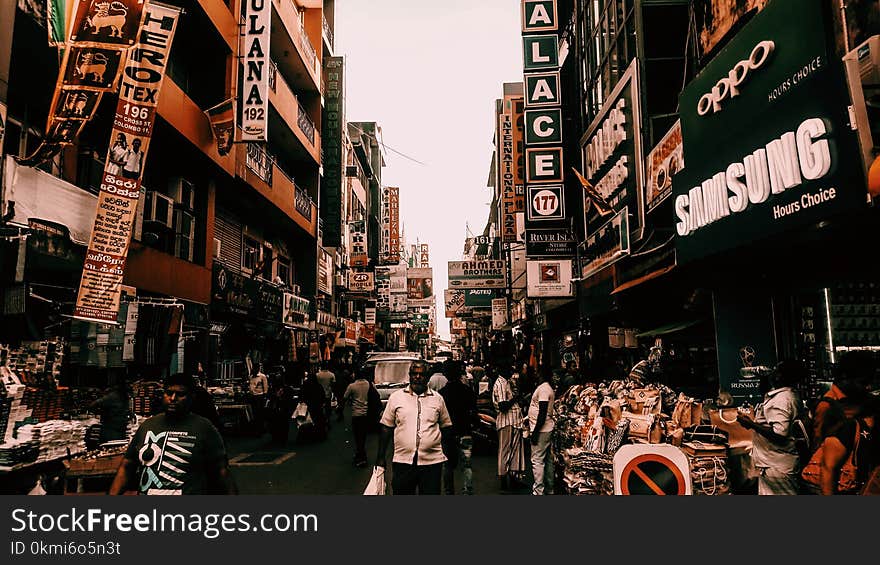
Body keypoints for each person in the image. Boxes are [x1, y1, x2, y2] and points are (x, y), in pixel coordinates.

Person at [109, 373, 237, 495]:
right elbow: (127, 466)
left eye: (180, 394)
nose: (173, 398)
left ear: (191, 397)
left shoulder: (204, 428)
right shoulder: (148, 426)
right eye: (169, 393)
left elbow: (221, 472)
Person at [375, 360, 453, 495]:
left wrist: (449, 456)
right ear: (409, 376)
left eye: (421, 374)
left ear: (428, 377)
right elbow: (386, 428)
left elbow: (446, 427)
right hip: (403, 461)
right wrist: (381, 457)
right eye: (414, 374)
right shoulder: (396, 398)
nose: (417, 377)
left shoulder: (438, 399)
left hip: (432, 462)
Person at [737, 359, 806, 495]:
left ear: (780, 376)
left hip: (776, 465)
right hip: (773, 464)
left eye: (776, 370)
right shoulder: (786, 394)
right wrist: (764, 379)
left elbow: (779, 435)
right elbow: (765, 392)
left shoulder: (782, 400)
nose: (772, 371)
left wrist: (750, 424)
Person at [811, 350, 875, 448]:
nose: (869, 387)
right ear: (844, 377)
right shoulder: (826, 406)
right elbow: (818, 447)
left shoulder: (863, 399)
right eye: (863, 383)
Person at [439, 361, 477, 495]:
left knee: (448, 465)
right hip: (465, 432)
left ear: (446, 375)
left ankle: (449, 491)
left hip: (448, 434)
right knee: (466, 464)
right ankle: (467, 490)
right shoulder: (467, 391)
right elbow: (474, 412)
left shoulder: (441, 394)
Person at [493, 364, 526, 491]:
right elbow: (502, 406)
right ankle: (503, 482)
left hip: (514, 421)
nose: (512, 371)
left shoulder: (506, 382)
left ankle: (513, 480)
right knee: (505, 451)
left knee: (513, 452)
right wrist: (516, 398)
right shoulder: (501, 383)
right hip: (507, 422)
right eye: (509, 369)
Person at [528, 366, 556, 495]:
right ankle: (549, 488)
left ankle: (538, 491)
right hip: (546, 428)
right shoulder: (546, 388)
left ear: (541, 374)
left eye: (537, 373)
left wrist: (535, 432)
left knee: (537, 460)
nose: (535, 375)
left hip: (542, 429)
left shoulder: (544, 389)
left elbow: (542, 413)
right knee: (547, 460)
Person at [341, 366, 372, 467]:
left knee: (358, 437)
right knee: (362, 437)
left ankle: (361, 456)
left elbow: (345, 397)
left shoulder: (352, 386)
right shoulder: (368, 384)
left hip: (356, 415)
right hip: (366, 414)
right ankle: (360, 455)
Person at [88, 378, 130, 444]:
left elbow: (93, 405)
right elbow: (93, 405)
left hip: (114, 428)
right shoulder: (119, 396)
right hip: (116, 428)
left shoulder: (117, 396)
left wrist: (100, 412)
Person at [267, 376, 296, 446]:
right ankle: (280, 437)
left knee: (280, 423)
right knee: (281, 423)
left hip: (281, 408)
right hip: (280, 408)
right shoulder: (281, 389)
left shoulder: (284, 389)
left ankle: (279, 438)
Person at [316, 362, 336, 428]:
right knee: (328, 407)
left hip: (319, 394)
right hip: (328, 393)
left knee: (320, 408)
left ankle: (321, 421)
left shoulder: (317, 375)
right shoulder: (331, 374)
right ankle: (327, 420)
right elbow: (333, 385)